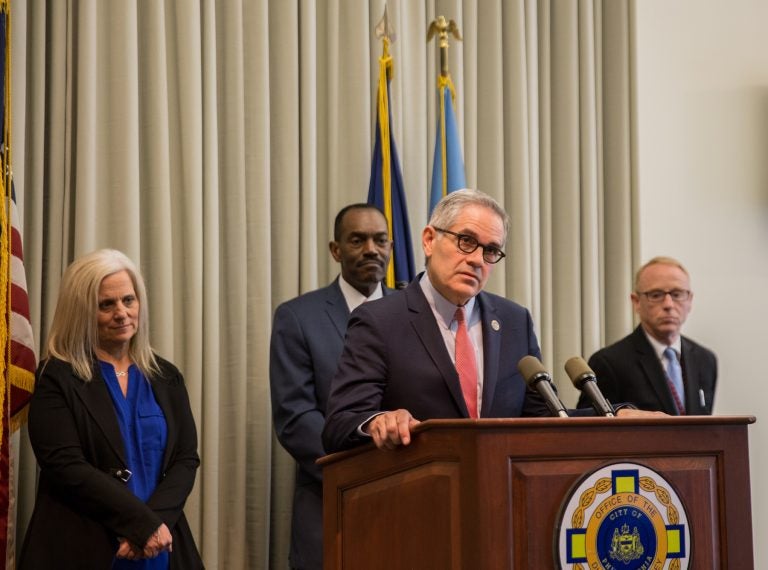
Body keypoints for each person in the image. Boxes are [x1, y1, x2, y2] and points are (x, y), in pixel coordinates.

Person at [321, 189, 645, 454]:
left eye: (491, 251)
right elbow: (341, 424)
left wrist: (615, 414)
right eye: (466, 241)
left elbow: (542, 419)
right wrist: (380, 420)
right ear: (429, 240)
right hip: (417, 501)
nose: (477, 259)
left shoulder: (514, 320)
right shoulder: (380, 320)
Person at [19, 249, 203, 569]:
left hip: (159, 545)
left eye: (128, 300)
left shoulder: (166, 376)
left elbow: (185, 459)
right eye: (106, 304)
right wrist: (140, 525)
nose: (122, 313)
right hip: (84, 543)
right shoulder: (56, 377)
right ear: (81, 311)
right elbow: (65, 465)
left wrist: (153, 525)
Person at [269, 204, 392, 570]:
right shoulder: (298, 317)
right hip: (331, 501)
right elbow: (295, 416)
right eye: (358, 240)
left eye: (380, 239)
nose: (371, 249)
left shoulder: (412, 312)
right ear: (336, 250)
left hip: (408, 498)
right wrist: (362, 472)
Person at [578, 256, 717, 415]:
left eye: (677, 294)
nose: (668, 305)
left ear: (690, 300)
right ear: (636, 302)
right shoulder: (609, 363)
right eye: (656, 295)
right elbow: (589, 429)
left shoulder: (705, 360)